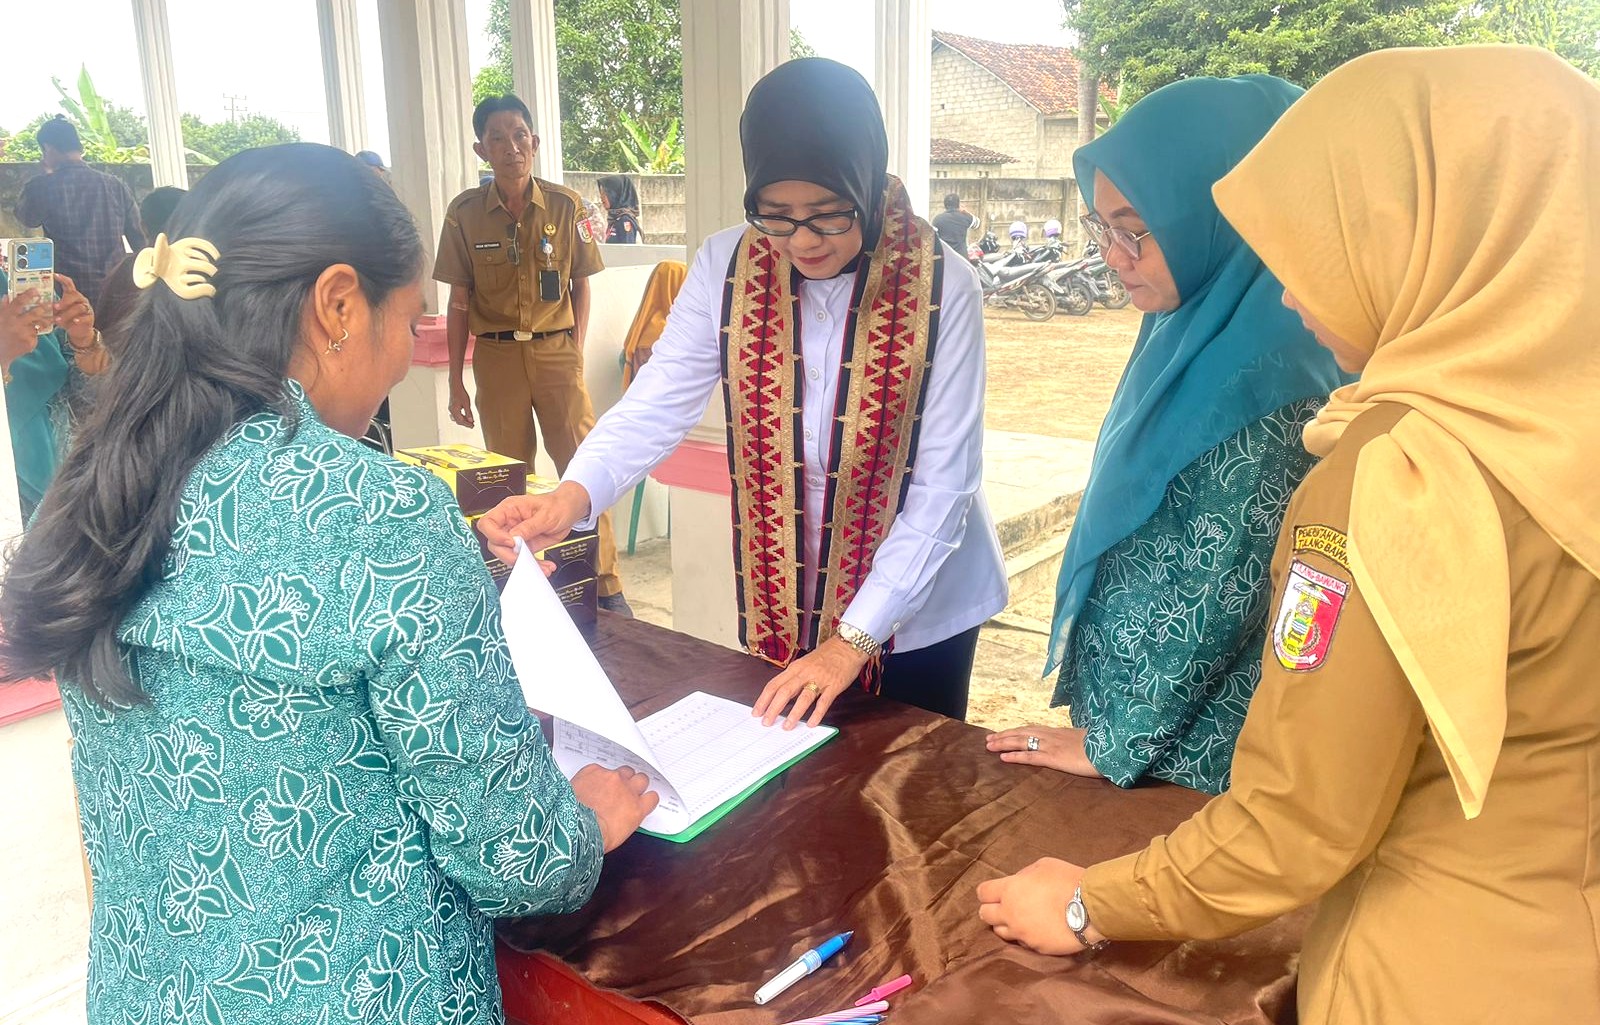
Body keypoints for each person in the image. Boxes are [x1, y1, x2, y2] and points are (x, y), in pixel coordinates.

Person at [976, 46, 1600, 1024]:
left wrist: (1083, 899)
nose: (1284, 289)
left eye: (1329, 238)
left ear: (1424, 236)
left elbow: (1299, 819)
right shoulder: (1560, 423)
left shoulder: (1396, 476)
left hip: (1429, 970)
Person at [0, 143, 657, 1024]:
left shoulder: (98, 485)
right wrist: (584, 819)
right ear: (338, 303)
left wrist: (441, 559)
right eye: (407, 319)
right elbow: (517, 860)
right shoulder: (380, 511)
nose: (399, 363)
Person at [479, 59, 1007, 728]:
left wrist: (851, 641)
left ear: (868, 185)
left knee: (911, 795)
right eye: (776, 217)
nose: (803, 241)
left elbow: (945, 488)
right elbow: (657, 401)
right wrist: (571, 496)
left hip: (921, 606)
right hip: (785, 586)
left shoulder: (943, 285)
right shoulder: (728, 264)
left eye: (827, 214)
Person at [985, 76, 1347, 795]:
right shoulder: (1186, 334)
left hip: (1191, 754)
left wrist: (1114, 742)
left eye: (1136, 230)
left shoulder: (1272, 375)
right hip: (1131, 715)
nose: (1112, 256)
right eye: (1102, 227)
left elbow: (1228, 588)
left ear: (1223, 215)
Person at [434, 95, 629, 614]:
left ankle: (606, 585)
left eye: (520, 135)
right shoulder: (464, 215)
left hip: (556, 353)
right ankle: (522, 587)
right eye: (497, 138)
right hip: (496, 360)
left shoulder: (567, 208)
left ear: (535, 144)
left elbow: (582, 287)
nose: (511, 147)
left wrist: (575, 351)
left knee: (583, 469)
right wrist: (456, 381)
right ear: (482, 148)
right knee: (506, 476)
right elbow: (458, 302)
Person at [0, 270, 106, 516]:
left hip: (72, 474)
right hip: (14, 496)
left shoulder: (15, 286)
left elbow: (90, 394)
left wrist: (83, 338)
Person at [15, 116, 146, 307]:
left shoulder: (43, 187)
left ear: (48, 148)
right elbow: (139, 240)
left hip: (70, 295)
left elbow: (27, 218)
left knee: (78, 337)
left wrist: (44, 178)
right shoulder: (115, 185)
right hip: (116, 290)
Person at [596, 175, 642, 244]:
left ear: (616, 194)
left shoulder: (625, 220)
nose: (601, 198)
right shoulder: (614, 219)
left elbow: (627, 250)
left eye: (605, 193)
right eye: (601, 193)